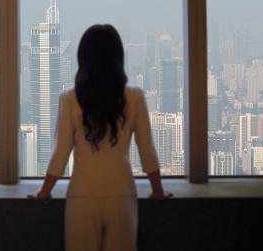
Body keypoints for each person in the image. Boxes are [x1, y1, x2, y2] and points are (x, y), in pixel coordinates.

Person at [28, 24, 172, 251]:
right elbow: (148, 151)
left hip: (82, 198)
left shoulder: (69, 97)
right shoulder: (134, 96)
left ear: (82, 57)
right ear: (118, 57)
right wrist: (158, 192)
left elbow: (60, 154)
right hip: (121, 197)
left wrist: (43, 193)